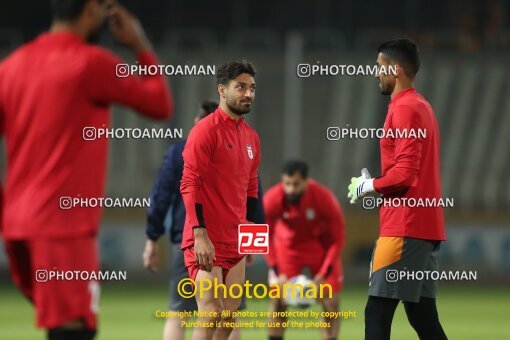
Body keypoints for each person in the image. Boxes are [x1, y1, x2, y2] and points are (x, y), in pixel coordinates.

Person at [0, 0, 173, 339]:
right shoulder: (90, 63)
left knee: (62, 325)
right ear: (91, 9)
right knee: (74, 330)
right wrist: (140, 45)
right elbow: (159, 104)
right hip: (62, 227)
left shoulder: (11, 67)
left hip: (17, 227)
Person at [347, 38, 448, 340]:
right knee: (422, 314)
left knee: (376, 309)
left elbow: (405, 175)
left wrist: (370, 185)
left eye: (380, 66)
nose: (376, 72)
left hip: (404, 227)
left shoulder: (404, 109)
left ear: (398, 69)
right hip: (425, 229)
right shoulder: (422, 107)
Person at [143, 99, 265, 340]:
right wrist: (252, 241)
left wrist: (152, 237)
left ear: (197, 121)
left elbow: (161, 195)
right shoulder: (235, 142)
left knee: (182, 312)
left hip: (193, 236)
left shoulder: (179, 149)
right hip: (195, 238)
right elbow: (253, 193)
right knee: (221, 313)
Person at [180, 60, 260, 340]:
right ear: (222, 90)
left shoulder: (251, 137)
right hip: (206, 239)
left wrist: (252, 238)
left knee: (228, 315)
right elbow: (189, 184)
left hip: (236, 241)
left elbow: (251, 189)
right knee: (210, 311)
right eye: (241, 87)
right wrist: (199, 234)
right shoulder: (205, 131)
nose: (248, 94)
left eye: (251, 88)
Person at [264, 160, 345, 340]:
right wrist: (277, 272)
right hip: (287, 249)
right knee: (279, 300)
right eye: (287, 183)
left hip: (319, 248)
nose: (291, 189)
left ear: (306, 182)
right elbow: (264, 236)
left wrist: (323, 273)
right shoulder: (272, 198)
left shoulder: (324, 198)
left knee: (331, 302)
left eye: (296, 184)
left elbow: (337, 238)